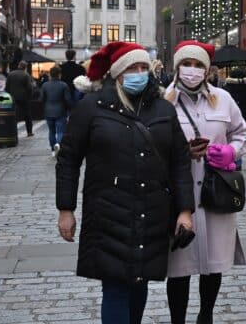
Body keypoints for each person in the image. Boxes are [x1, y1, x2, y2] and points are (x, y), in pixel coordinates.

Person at [55, 41, 195, 324]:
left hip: (152, 211)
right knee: (116, 285)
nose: (139, 73)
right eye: (133, 67)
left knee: (139, 283)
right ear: (118, 72)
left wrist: (184, 210)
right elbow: (68, 159)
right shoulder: (91, 108)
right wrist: (65, 209)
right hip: (108, 212)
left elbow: (179, 161)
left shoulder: (163, 110)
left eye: (144, 67)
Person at [164, 40, 246, 324]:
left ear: (207, 69)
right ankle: (178, 319)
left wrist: (230, 152)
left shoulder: (223, 99)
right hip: (179, 195)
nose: (192, 70)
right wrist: (180, 152)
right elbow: (149, 144)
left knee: (213, 264)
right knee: (179, 265)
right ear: (176, 67)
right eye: (186, 64)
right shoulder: (163, 102)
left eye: (198, 64)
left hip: (216, 193)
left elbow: (242, 132)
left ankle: (206, 315)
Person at [40, 66, 71, 157]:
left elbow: (41, 98)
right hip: (61, 111)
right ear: (59, 74)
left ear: (50, 74)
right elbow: (68, 99)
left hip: (48, 110)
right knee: (61, 131)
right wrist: (70, 110)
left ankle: (53, 149)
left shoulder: (45, 85)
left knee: (51, 131)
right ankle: (59, 145)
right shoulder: (64, 85)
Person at [6, 61, 34, 136]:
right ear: (25, 67)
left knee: (14, 115)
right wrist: (29, 96)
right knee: (27, 115)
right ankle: (29, 132)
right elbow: (29, 88)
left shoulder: (11, 74)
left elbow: (7, 87)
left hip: (12, 98)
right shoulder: (26, 75)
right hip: (24, 98)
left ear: (18, 65)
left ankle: (13, 132)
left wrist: (9, 95)